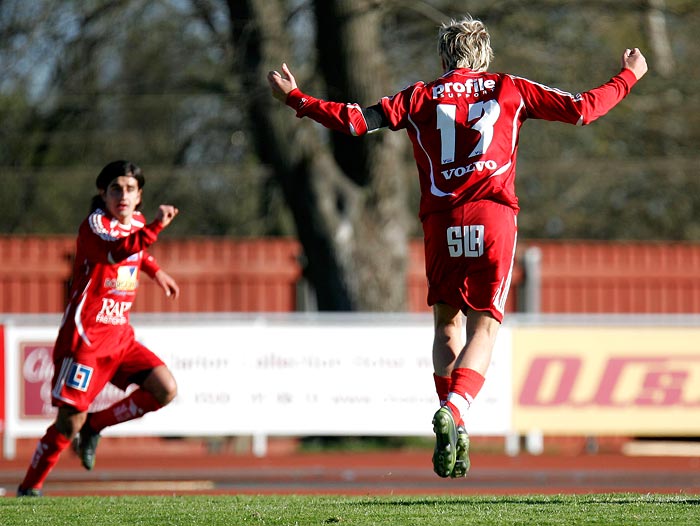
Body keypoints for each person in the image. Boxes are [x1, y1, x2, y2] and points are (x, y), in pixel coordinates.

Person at [267, 15, 648, 478]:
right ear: (483, 52)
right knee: (484, 328)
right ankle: (457, 411)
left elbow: (353, 121)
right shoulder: (509, 87)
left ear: (445, 56)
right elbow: (583, 108)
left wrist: (297, 99)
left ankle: (454, 422)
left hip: (442, 220)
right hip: (492, 216)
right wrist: (629, 76)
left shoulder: (419, 97)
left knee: (447, 326)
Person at [17, 160, 180, 496]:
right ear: (103, 194)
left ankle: (95, 425)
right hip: (86, 340)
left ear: (139, 196)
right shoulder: (95, 226)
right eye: (115, 188)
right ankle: (29, 487)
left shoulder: (133, 223)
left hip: (120, 336)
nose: (123, 194)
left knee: (165, 388)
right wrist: (155, 229)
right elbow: (114, 252)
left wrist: (155, 270)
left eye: (130, 188)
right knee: (68, 421)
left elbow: (136, 250)